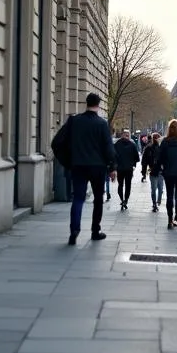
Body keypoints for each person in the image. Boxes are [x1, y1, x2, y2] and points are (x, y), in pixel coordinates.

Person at [52, 93, 116, 245]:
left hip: (78, 165)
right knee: (98, 199)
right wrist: (112, 167)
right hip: (98, 167)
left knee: (78, 198)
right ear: (98, 105)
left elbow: (56, 142)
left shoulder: (74, 121)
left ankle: (74, 230)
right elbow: (108, 148)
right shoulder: (102, 124)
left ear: (86, 103)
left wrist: (68, 161)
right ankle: (95, 231)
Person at [156, 120, 177, 228]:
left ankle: (170, 219)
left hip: (168, 172)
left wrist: (160, 168)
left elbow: (160, 158)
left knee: (169, 195)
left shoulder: (165, 142)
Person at [113, 129, 140, 210]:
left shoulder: (117, 144)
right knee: (127, 185)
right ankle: (125, 200)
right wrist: (133, 165)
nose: (127, 136)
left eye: (127, 134)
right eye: (126, 134)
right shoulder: (132, 144)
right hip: (127, 168)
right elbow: (136, 157)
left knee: (121, 185)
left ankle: (123, 200)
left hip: (121, 168)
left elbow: (113, 156)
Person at [143, 132, 162, 211]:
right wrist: (143, 172)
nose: (156, 139)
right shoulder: (148, 148)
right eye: (155, 138)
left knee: (160, 189)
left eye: (157, 138)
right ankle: (154, 204)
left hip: (161, 171)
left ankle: (158, 201)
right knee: (154, 189)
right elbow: (144, 161)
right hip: (153, 171)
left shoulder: (162, 148)